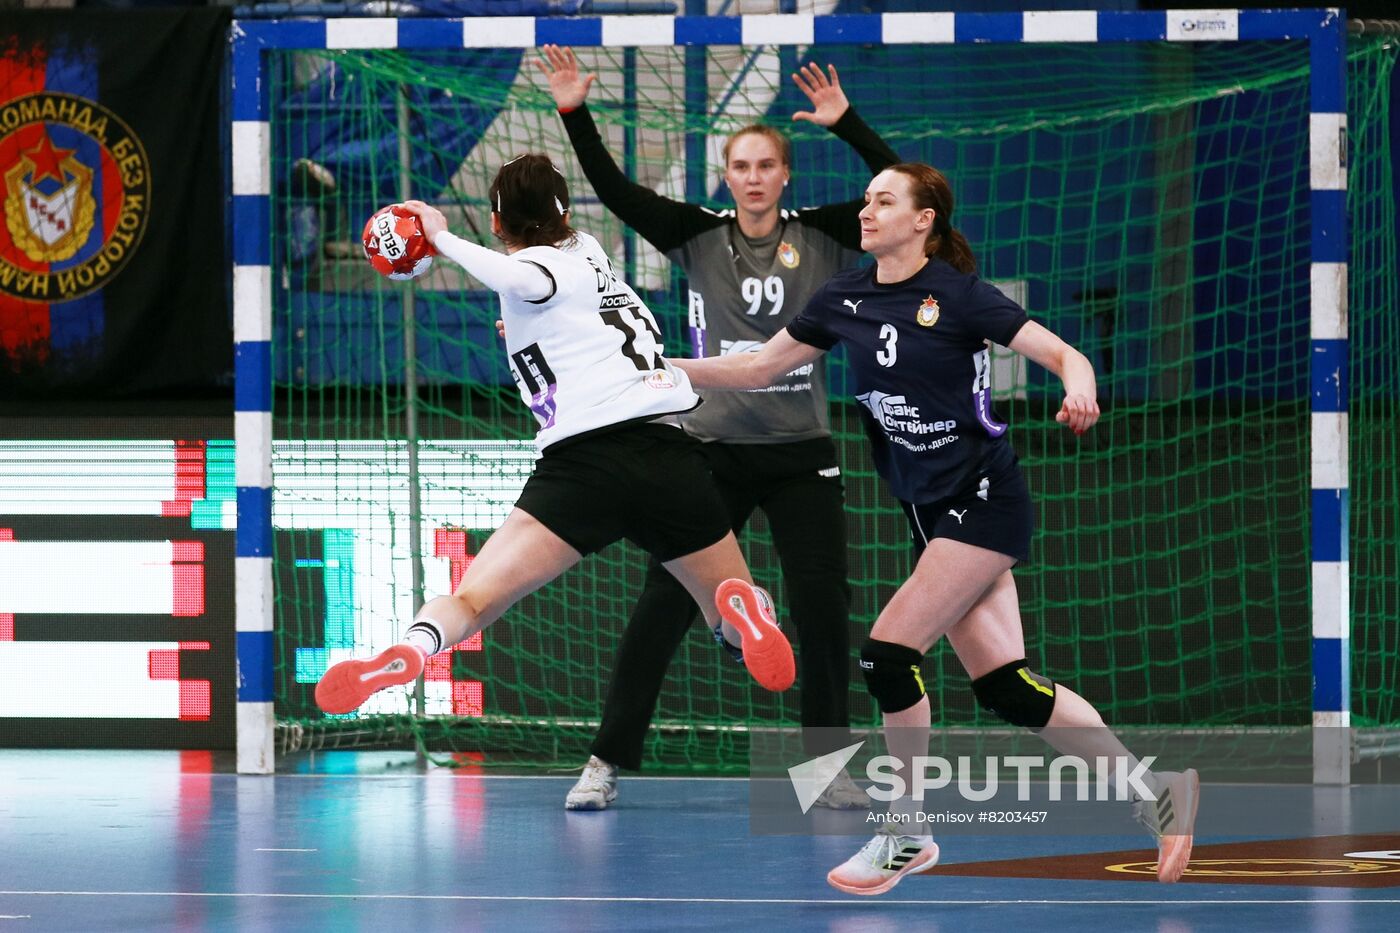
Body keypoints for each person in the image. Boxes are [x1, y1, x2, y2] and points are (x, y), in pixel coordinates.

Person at [667, 162, 1200, 895]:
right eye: (866, 197)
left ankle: (906, 830)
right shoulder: (844, 294)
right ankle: (1156, 793)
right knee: (1008, 688)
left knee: (887, 653)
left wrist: (1080, 388)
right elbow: (759, 366)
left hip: (983, 499)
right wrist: (657, 372)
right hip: (930, 513)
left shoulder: (957, 295)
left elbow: (1061, 354)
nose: (867, 208)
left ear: (923, 221)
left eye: (885, 200)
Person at [537, 45, 899, 811]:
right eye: (743, 165)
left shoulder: (832, 235)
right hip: (708, 453)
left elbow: (910, 197)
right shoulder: (697, 234)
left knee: (822, 605)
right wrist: (574, 109)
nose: (756, 177)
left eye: (768, 164)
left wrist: (848, 123)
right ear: (727, 176)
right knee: (663, 602)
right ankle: (604, 760)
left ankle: (825, 768)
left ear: (785, 174)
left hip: (802, 456)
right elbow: (612, 190)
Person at [313, 155, 797, 719]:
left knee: (472, 600)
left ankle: (416, 648)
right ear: (564, 210)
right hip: (664, 452)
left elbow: (524, 276)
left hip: (579, 467)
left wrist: (440, 238)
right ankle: (749, 614)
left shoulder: (534, 271)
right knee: (724, 610)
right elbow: (554, 300)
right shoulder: (588, 250)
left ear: (496, 225)